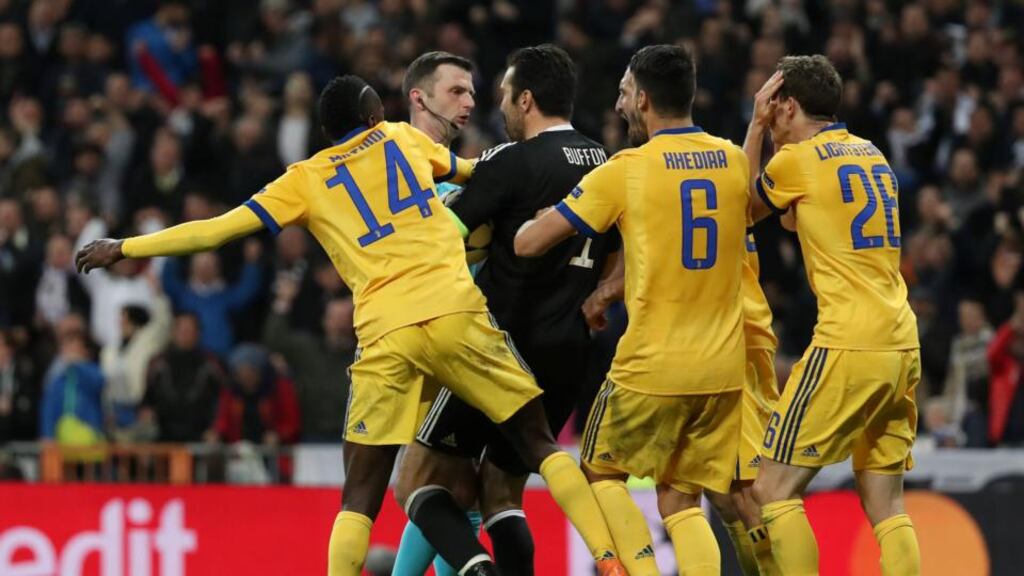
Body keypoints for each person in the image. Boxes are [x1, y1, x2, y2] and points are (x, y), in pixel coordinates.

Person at [75, 74, 625, 576]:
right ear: (370, 118)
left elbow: (217, 230)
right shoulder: (403, 140)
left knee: (359, 495)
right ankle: (608, 558)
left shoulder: (303, 179)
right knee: (539, 443)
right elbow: (482, 176)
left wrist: (125, 246)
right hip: (457, 315)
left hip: (386, 333)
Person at [516, 44, 750, 575]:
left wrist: (537, 216)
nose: (620, 103)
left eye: (624, 92)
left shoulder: (628, 169)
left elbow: (532, 243)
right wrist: (610, 288)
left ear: (643, 100)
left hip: (653, 365)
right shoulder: (734, 161)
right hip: (721, 370)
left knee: (600, 471)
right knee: (681, 502)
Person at [399, 44, 619, 576]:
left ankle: (479, 571)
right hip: (569, 354)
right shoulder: (609, 165)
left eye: (501, 94)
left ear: (526, 99)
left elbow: (445, 236)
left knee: (417, 479)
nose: (494, 104)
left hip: (499, 349)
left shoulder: (511, 161)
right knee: (500, 493)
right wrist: (603, 294)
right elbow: (623, 252)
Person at [744, 56, 921, 574]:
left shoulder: (800, 162)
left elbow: (742, 210)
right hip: (900, 341)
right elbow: (800, 221)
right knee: (886, 501)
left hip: (848, 343)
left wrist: (756, 129)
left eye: (773, 106)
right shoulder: (871, 153)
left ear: (789, 105)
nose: (768, 113)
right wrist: (778, 141)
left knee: (771, 488)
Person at [391, 49, 481, 576]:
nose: (469, 102)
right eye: (456, 91)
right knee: (433, 483)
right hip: (422, 341)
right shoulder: (393, 167)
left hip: (463, 341)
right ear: (419, 97)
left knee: (455, 484)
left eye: (471, 92)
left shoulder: (461, 175)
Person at [137, 312, 224, 443]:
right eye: (180, 329)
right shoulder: (158, 363)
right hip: (163, 435)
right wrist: (146, 413)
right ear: (172, 332)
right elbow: (147, 399)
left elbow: (223, 400)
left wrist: (216, 428)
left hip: (201, 435)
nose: (184, 333)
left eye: (189, 329)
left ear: (198, 333)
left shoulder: (212, 363)